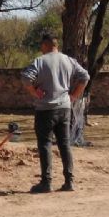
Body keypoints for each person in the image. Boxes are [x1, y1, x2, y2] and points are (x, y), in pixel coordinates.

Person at [21, 32, 90, 193]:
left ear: (45, 45)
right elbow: (85, 77)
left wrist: (34, 92)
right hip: (64, 108)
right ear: (56, 45)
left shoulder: (40, 61)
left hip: (45, 109)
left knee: (45, 144)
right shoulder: (68, 60)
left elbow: (25, 78)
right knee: (64, 144)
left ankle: (46, 182)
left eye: (41, 46)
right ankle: (69, 181)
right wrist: (73, 96)